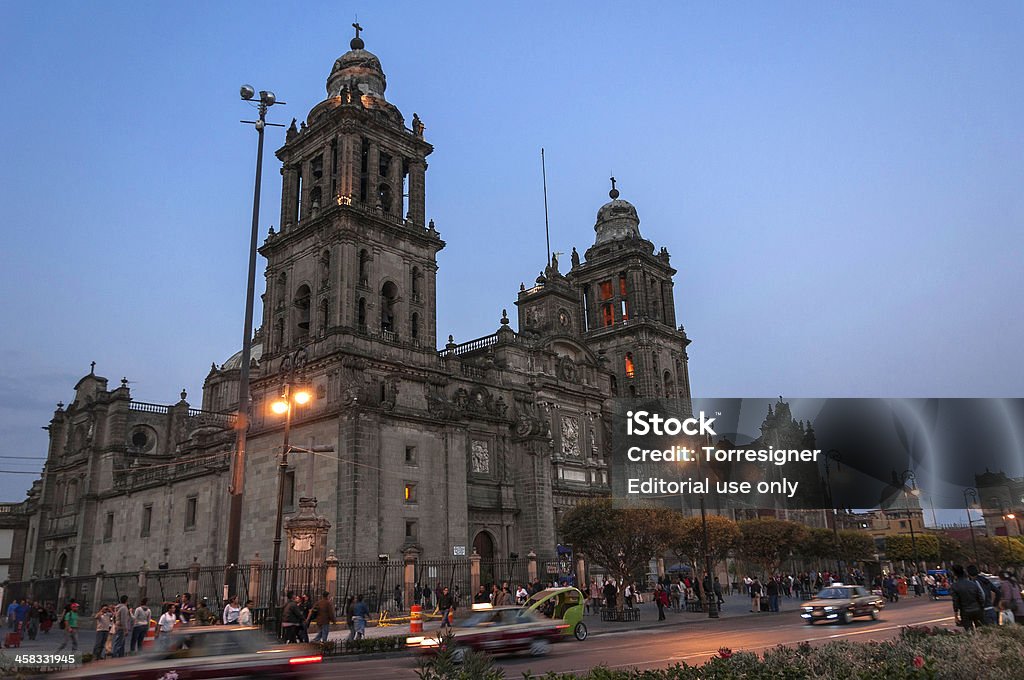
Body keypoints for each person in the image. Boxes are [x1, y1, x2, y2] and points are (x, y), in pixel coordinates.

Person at [951, 564, 985, 631]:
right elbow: (980, 597)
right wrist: (981, 607)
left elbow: (955, 602)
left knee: (969, 631)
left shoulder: (955, 586)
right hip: (977, 609)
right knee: (981, 630)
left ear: (954, 574)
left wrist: (956, 616)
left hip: (965, 611)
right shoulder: (972, 583)